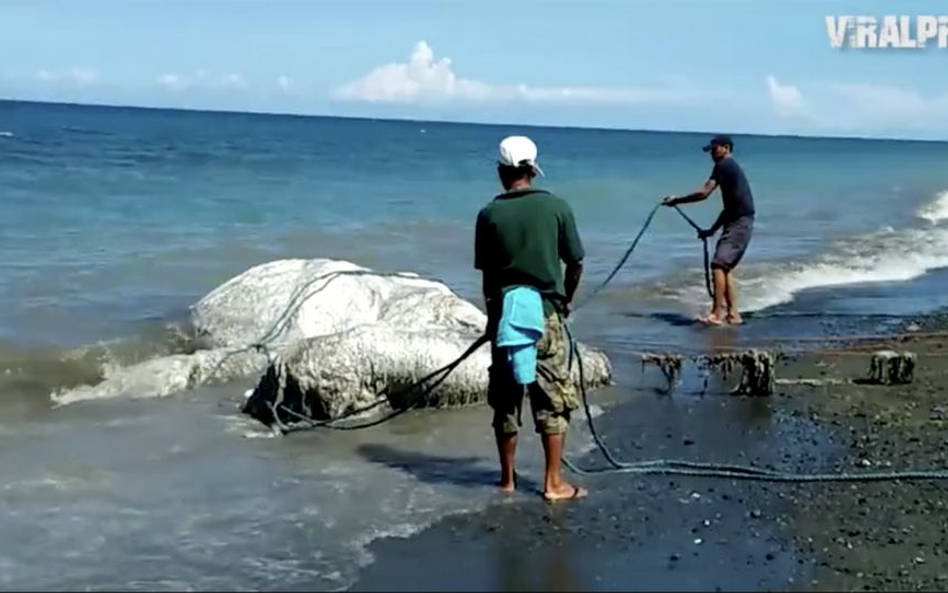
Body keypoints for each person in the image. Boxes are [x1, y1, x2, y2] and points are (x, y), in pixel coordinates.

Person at [473, 135, 588, 502]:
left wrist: (494, 319)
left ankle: (507, 480)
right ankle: (553, 483)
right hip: (546, 314)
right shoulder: (557, 207)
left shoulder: (489, 214)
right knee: (552, 399)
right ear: (532, 170)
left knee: (505, 400)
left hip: (507, 315)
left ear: (501, 172)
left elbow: (489, 278)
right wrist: (566, 301)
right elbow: (576, 262)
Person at [663, 134, 755, 325]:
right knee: (724, 268)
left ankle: (716, 314)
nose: (712, 153)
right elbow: (730, 208)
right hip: (738, 220)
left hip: (740, 222)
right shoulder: (728, 167)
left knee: (718, 265)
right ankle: (733, 314)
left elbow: (704, 193)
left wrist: (676, 200)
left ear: (726, 148)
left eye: (715, 149)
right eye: (710, 150)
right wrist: (711, 231)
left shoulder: (724, 165)